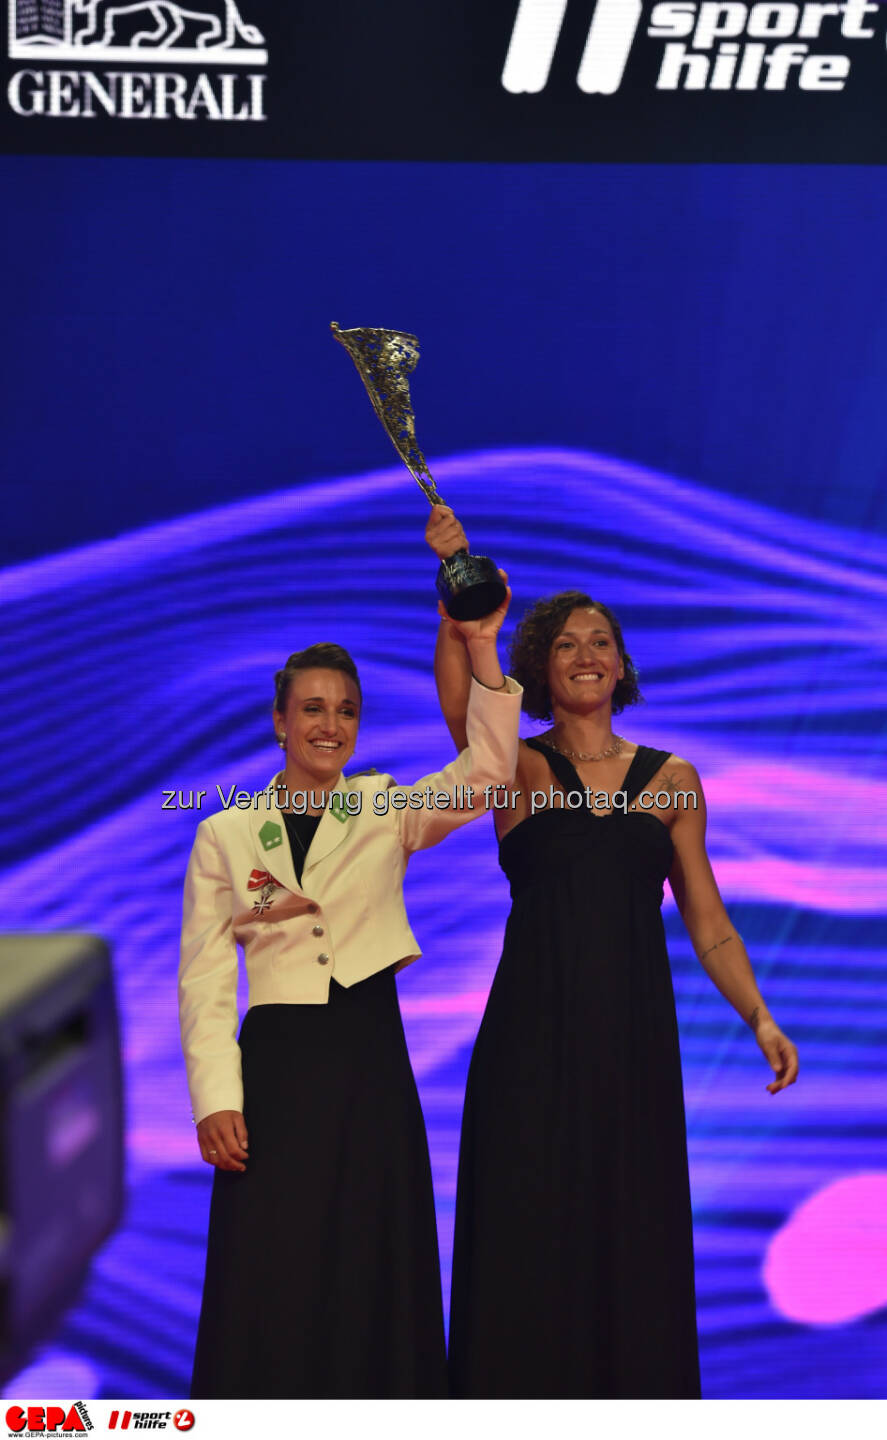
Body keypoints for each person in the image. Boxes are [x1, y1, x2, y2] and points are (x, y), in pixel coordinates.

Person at [425, 507, 799, 1399]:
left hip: (631, 1044)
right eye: (565, 644)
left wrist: (758, 1014)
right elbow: (456, 703)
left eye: (602, 642)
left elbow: (707, 920)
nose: (587, 653)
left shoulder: (673, 781)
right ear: (540, 668)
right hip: (529, 1039)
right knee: (528, 1229)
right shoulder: (512, 768)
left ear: (622, 665)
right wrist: (456, 604)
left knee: (628, 1236)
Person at [178, 539, 522, 1399]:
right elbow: (204, 976)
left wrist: (479, 641)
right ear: (280, 722)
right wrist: (217, 1098)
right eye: (312, 710)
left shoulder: (383, 806)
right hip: (279, 1064)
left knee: (370, 1247)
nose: (329, 726)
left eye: (345, 711)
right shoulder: (224, 832)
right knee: (276, 1258)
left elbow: (486, 772)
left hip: (369, 1051)